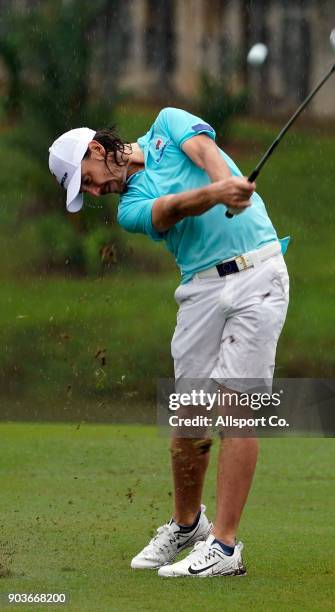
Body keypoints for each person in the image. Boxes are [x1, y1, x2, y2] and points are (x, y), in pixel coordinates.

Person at [48, 107, 290, 577]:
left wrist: (228, 186)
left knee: (237, 405)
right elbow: (171, 209)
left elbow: (205, 150)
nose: (97, 192)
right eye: (88, 192)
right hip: (200, 288)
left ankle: (224, 546)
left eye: (89, 180)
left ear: (97, 150)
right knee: (188, 415)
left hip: (258, 273)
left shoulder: (166, 123)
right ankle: (187, 525)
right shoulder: (129, 208)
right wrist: (217, 193)